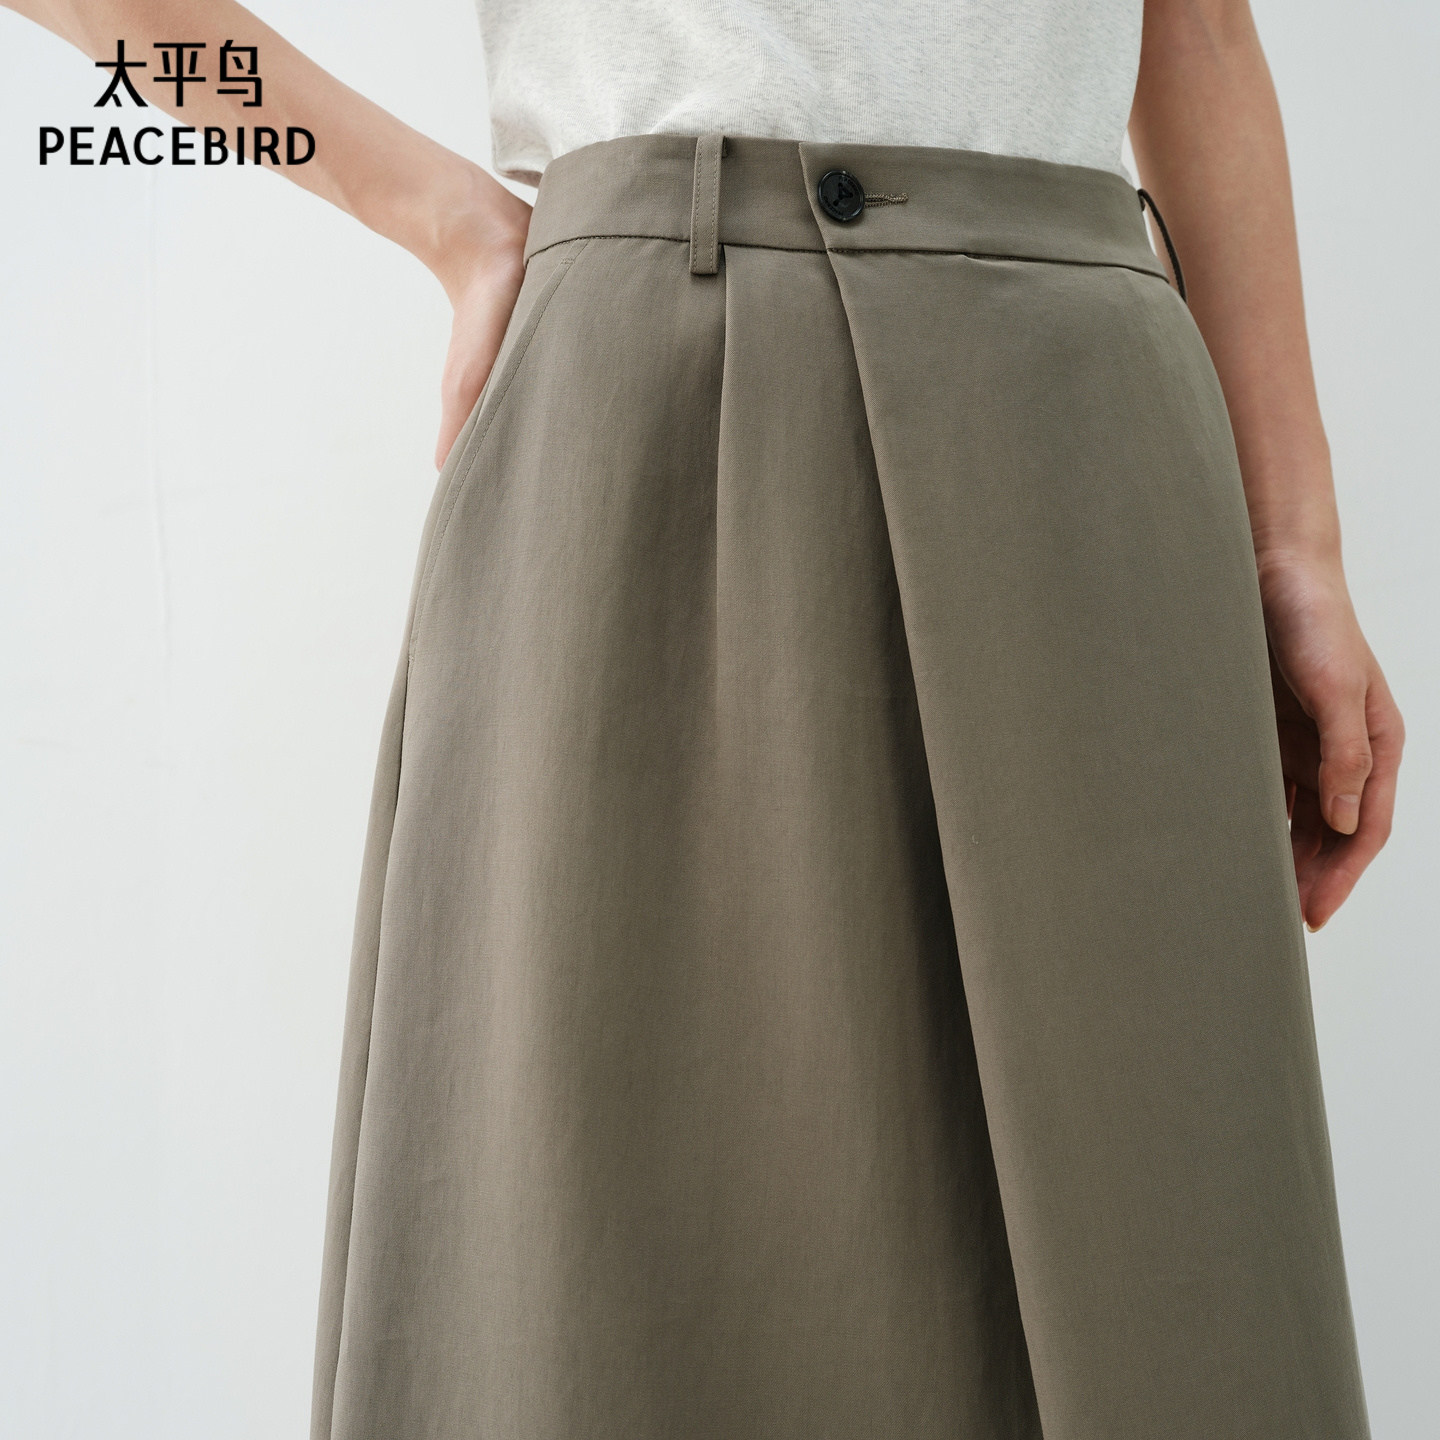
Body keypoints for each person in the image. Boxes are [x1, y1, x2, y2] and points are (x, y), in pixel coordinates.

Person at [9, 1, 1403, 1437]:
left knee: (1172, 1269)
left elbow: (1202, 31)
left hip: (1088, 448)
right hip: (654, 419)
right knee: (601, 1277)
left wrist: (1293, 542)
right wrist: (444, 218)